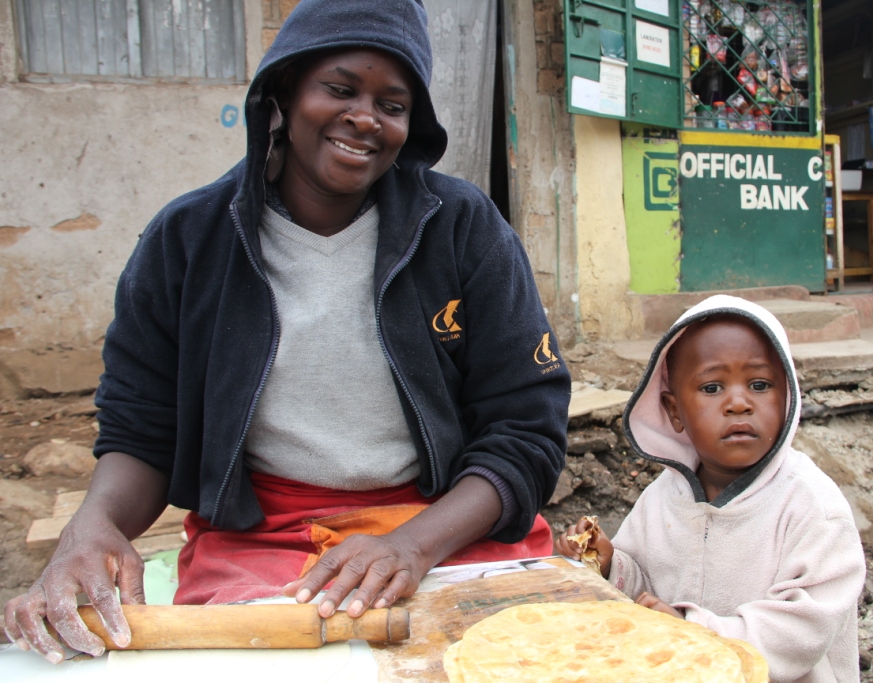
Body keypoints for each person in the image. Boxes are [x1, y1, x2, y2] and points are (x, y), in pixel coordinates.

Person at [6, 0, 570, 664]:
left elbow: (526, 430)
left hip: (441, 520)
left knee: (515, 657)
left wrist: (413, 545)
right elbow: (141, 429)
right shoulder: (188, 241)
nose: (364, 117)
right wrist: (92, 527)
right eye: (339, 89)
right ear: (283, 92)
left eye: (392, 104)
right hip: (267, 532)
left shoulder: (463, 228)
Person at [555, 295, 865, 683]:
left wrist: (696, 631)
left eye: (759, 384)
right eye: (712, 387)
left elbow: (806, 628)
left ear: (788, 396)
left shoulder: (812, 506)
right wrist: (609, 564)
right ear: (674, 411)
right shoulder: (662, 500)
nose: (738, 403)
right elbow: (644, 588)